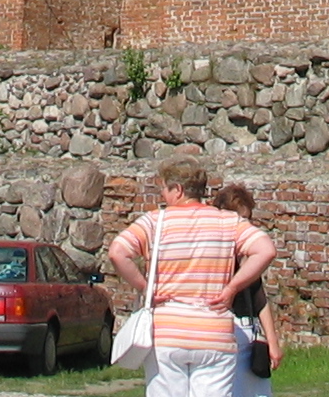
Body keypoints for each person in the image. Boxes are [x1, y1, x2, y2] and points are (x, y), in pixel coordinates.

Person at [109, 160, 276, 397]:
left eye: (164, 189)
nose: (163, 195)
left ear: (178, 189)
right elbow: (266, 250)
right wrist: (232, 288)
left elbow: (117, 252)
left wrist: (146, 289)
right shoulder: (228, 221)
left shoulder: (154, 222)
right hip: (214, 333)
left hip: (167, 332)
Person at [209, 183, 284, 397]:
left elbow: (259, 297)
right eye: (241, 219)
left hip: (246, 330)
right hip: (220, 330)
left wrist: (272, 342)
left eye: (248, 219)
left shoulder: (248, 256)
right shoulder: (212, 252)